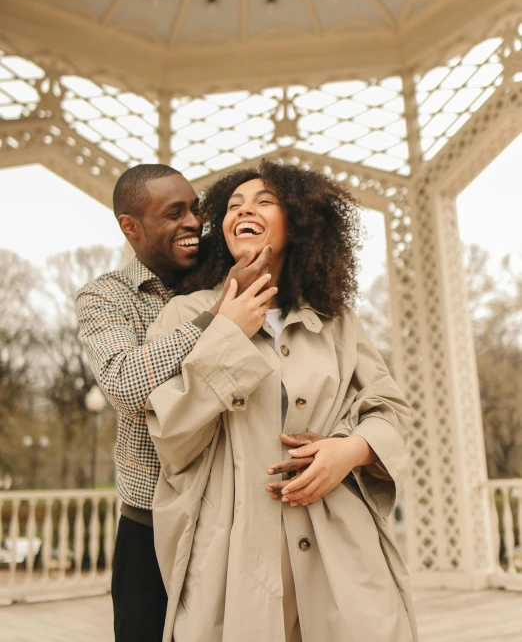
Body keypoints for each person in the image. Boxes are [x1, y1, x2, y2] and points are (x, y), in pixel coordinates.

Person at [145, 159, 418, 642]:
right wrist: (228, 329)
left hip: (341, 551)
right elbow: (171, 434)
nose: (243, 210)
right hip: (234, 558)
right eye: (233, 205)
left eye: (264, 201)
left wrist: (347, 452)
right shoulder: (184, 315)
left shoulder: (336, 321)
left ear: (299, 224)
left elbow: (390, 410)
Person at [76, 163, 276, 642]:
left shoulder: (224, 268)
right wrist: (216, 320)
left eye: (195, 209)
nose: (193, 223)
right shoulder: (105, 296)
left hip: (234, 519)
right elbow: (124, 384)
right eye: (173, 213)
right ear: (131, 227)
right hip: (149, 525)